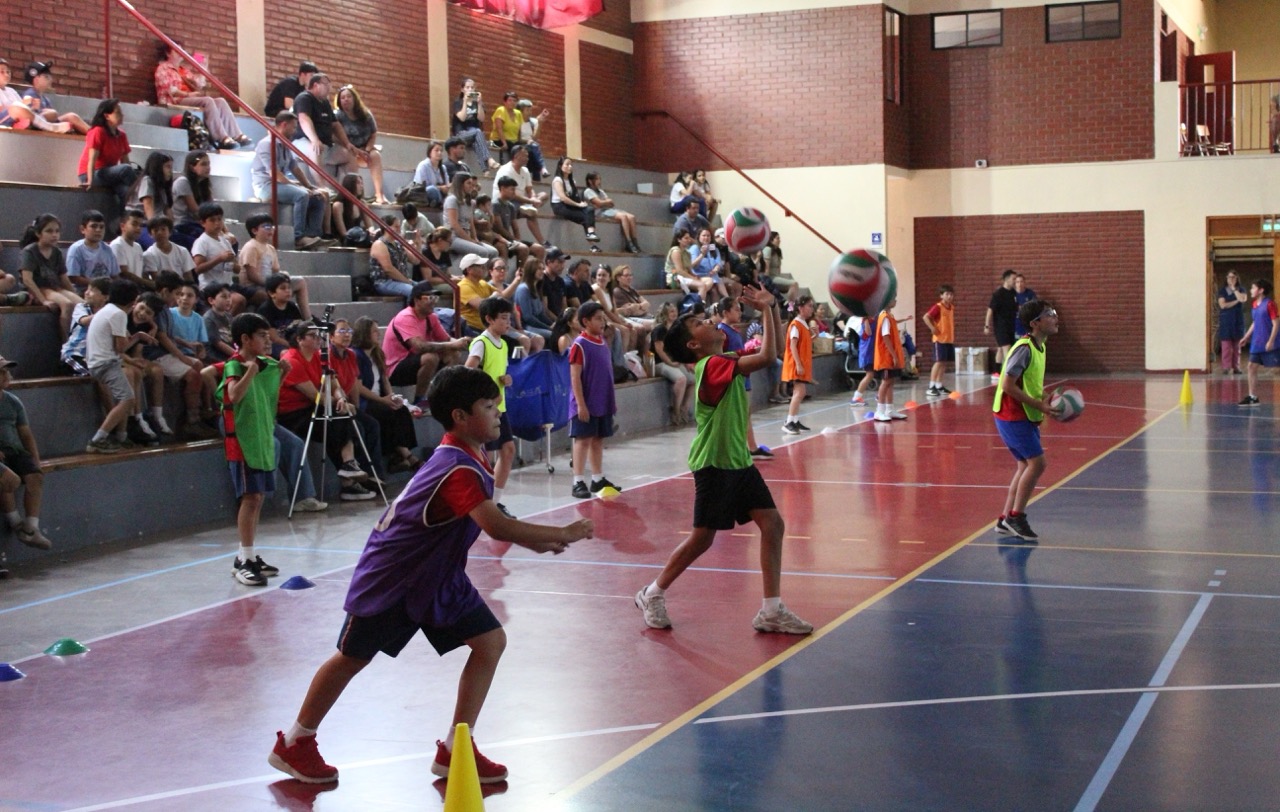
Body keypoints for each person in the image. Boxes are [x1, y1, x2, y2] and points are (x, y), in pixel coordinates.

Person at [266, 365, 593, 785]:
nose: (498, 413)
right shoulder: (457, 468)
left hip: (437, 576)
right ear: (460, 416)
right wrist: (559, 533)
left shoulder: (469, 455)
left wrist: (536, 542)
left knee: (489, 642)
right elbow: (495, 526)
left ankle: (457, 748)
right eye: (488, 406)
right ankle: (295, 742)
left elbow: (487, 522)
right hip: (394, 577)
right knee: (352, 657)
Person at [634, 285, 812, 634]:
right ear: (693, 345)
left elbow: (769, 349)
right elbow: (766, 358)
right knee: (703, 538)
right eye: (700, 323)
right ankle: (652, 593)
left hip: (738, 461)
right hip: (714, 463)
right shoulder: (711, 365)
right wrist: (765, 311)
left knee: (773, 524)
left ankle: (771, 610)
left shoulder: (724, 359)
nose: (709, 321)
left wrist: (772, 308)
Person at [214, 313, 283, 585]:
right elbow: (233, 395)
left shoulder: (264, 364)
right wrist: (251, 372)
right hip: (242, 443)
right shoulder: (235, 365)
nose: (268, 340)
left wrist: (281, 372)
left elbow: (268, 391)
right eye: (262, 336)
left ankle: (248, 555)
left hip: (260, 438)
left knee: (258, 497)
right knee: (250, 498)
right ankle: (244, 559)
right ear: (245, 339)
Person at [277, 323, 377, 502]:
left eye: (319, 335)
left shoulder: (320, 357)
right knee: (339, 421)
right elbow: (316, 397)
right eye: (312, 336)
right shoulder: (292, 360)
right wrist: (339, 403)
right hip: (294, 414)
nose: (318, 339)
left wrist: (342, 399)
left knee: (352, 422)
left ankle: (350, 470)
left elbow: (334, 385)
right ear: (299, 340)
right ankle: (348, 475)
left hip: (314, 407)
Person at [992, 300, 1062, 541]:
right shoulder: (1024, 348)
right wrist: (1039, 405)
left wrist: (1043, 397)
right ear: (1035, 323)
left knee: (1025, 466)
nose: (1055, 317)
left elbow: (1028, 382)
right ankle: (1016, 517)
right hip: (1012, 415)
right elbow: (1007, 385)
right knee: (1037, 464)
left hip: (1022, 415)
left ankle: (1005, 519)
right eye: (1050, 314)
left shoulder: (1039, 346)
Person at [465, 298, 518, 518]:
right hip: (484, 409)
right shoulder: (481, 342)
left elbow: (498, 372)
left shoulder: (503, 344)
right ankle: (481, 503)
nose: (508, 322)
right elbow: (469, 370)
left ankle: (495, 502)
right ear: (489, 319)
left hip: (499, 408)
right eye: (503, 318)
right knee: (484, 457)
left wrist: (506, 379)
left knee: (508, 450)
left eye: (509, 318)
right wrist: (485, 390)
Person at [250, 111, 332, 251]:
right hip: (266, 186)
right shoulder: (267, 144)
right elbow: (275, 174)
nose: (295, 131)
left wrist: (310, 186)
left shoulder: (285, 145)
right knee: (302, 195)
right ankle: (298, 238)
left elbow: (295, 169)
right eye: (293, 127)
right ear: (284, 125)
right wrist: (301, 188)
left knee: (318, 197)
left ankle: (313, 236)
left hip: (281, 184)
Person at [350, 317, 421, 473]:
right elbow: (358, 387)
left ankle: (399, 456)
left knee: (401, 410)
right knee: (386, 413)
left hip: (380, 397)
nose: (378, 334)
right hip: (366, 400)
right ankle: (408, 456)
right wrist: (383, 400)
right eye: (374, 331)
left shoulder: (377, 354)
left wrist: (392, 397)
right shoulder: (356, 355)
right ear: (364, 334)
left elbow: (384, 378)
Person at [383, 282, 470, 404]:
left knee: (453, 353)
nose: (433, 302)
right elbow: (420, 347)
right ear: (416, 300)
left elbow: (446, 339)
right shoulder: (406, 317)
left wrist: (465, 342)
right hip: (394, 368)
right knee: (430, 357)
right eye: (429, 298)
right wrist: (453, 344)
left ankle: (442, 394)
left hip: (415, 362)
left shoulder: (431, 317)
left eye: (435, 298)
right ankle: (420, 400)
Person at [568, 302, 619, 499]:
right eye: (598, 318)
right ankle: (578, 481)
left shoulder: (602, 341)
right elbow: (575, 377)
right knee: (583, 440)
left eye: (603, 318)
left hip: (602, 401)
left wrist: (610, 400)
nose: (602, 322)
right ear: (586, 321)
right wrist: (581, 404)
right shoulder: (579, 345)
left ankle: (597, 478)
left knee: (598, 439)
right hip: (586, 403)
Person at [0, 355, 52, 550]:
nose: (7, 375)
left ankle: (30, 528)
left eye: (7, 371)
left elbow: (26, 435)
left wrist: (35, 461)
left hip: (14, 450)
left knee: (35, 477)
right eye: (1, 372)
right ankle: (16, 523)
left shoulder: (13, 401)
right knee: (9, 480)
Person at [154, 44, 250, 149]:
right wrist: (187, 94)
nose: (180, 53)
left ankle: (237, 135)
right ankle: (221, 137)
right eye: (176, 50)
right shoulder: (163, 68)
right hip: (174, 100)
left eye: (181, 50)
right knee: (208, 101)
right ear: (168, 53)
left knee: (220, 101)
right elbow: (169, 89)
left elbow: (199, 84)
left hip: (188, 99)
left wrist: (203, 66)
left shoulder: (183, 70)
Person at [85, 280, 142, 453]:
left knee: (125, 398)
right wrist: (137, 337)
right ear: (132, 301)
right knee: (128, 400)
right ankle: (98, 439)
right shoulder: (119, 314)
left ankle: (121, 437)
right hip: (105, 363)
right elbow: (120, 348)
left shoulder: (107, 310)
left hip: (99, 362)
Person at [715, 297, 771, 459]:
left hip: (742, 377)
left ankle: (751, 447)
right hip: (733, 378)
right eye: (736, 309)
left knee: (745, 413)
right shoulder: (722, 332)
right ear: (725, 312)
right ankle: (732, 448)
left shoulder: (733, 331)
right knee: (736, 415)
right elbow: (722, 356)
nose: (740, 313)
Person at [20, 214, 82, 339]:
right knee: (67, 305)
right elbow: (27, 280)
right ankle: (66, 343)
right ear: (38, 233)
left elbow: (63, 278)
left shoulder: (57, 252)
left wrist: (75, 293)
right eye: (49, 231)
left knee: (83, 305)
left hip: (55, 288)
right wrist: (43, 300)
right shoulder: (30, 251)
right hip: (38, 289)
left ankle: (81, 341)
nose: (54, 235)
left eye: (57, 231)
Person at [239, 213, 312, 316]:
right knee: (279, 293)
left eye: (272, 227)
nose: (271, 230)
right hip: (253, 287)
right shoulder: (251, 247)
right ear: (254, 230)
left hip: (270, 284)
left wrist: (282, 278)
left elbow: (275, 272)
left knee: (300, 282)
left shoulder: (271, 248)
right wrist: (272, 285)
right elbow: (252, 276)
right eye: (266, 227)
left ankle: (308, 318)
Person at [292, 73, 356, 184]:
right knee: (315, 149)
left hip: (325, 145)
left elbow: (335, 125)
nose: (329, 88)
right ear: (316, 85)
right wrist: (314, 139)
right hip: (303, 142)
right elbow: (304, 119)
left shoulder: (325, 103)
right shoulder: (304, 98)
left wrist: (347, 143)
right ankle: (322, 187)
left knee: (350, 155)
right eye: (326, 84)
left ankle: (350, 189)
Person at [77, 99, 138, 212]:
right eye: (118, 112)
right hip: (91, 173)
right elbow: (92, 159)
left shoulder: (122, 135)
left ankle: (125, 219)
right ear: (107, 116)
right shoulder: (98, 131)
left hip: (110, 174)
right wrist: (90, 181)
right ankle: (140, 195)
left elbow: (125, 160)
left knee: (125, 192)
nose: (122, 115)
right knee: (126, 169)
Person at [335, 84, 389, 204]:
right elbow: (336, 137)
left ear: (355, 98)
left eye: (349, 96)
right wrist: (355, 150)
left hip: (364, 149)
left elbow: (373, 133)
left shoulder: (366, 115)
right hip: (348, 150)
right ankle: (356, 193)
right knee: (350, 156)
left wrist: (367, 150)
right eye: (342, 98)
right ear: (339, 101)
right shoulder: (337, 116)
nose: (346, 99)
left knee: (376, 156)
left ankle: (379, 194)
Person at [190, 203, 248, 312]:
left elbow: (237, 269)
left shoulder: (225, 241)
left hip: (228, 284)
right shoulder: (201, 242)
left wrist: (233, 263)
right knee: (238, 300)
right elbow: (198, 269)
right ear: (203, 223)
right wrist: (219, 259)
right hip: (210, 286)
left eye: (219, 219)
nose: (217, 223)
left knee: (259, 295)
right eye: (212, 220)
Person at [491, 145, 550, 247]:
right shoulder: (505, 170)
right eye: (525, 156)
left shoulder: (525, 171)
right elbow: (512, 195)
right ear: (516, 156)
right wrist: (531, 201)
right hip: (507, 202)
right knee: (531, 213)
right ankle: (542, 242)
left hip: (522, 202)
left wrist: (533, 197)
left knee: (543, 195)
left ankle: (530, 208)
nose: (527, 158)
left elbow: (529, 189)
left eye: (527, 156)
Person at [651, 302, 695, 426]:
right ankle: (675, 410)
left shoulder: (676, 330)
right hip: (660, 362)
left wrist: (685, 363)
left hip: (674, 361)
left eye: (675, 311)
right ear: (665, 314)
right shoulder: (660, 329)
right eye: (671, 311)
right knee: (681, 379)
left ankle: (684, 407)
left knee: (693, 379)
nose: (674, 313)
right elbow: (659, 350)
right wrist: (670, 362)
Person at [1238, 278, 1279, 407]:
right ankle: (1252, 397)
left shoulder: (1270, 304)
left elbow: (1276, 323)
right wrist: (1246, 337)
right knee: (1251, 366)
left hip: (1270, 342)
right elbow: (1255, 322)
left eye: (1253, 288)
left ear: (1261, 290)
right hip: (1257, 342)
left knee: (1277, 369)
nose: (1251, 290)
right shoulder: (1255, 304)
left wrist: (1271, 341)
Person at [0, 58, 67, 132]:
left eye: (8, 72)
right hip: (2, 121)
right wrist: (22, 104)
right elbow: (6, 109)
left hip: (15, 120)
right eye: (2, 72)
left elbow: (22, 108)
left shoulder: (11, 91)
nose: (6, 74)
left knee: (52, 113)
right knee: (15, 107)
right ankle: (48, 126)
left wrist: (32, 107)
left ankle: (33, 124)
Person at [20, 61, 87, 133]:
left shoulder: (44, 98)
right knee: (71, 117)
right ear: (36, 79)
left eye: (50, 77)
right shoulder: (30, 95)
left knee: (71, 118)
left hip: (48, 125)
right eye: (46, 77)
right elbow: (30, 117)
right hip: (40, 127)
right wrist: (52, 114)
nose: (50, 80)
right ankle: (93, 134)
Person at [443, 173, 498, 261]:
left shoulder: (470, 202)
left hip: (467, 235)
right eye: (468, 183)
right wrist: (470, 240)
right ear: (460, 184)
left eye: (473, 184)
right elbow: (454, 225)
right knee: (482, 252)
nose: (472, 187)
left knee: (494, 252)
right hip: (453, 237)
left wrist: (475, 238)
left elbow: (471, 223)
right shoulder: (452, 200)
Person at [550, 157, 601, 250]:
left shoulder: (572, 181)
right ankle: (592, 244)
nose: (570, 167)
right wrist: (578, 205)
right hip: (559, 206)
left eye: (571, 165)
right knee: (586, 217)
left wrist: (581, 203)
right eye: (567, 164)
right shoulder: (557, 180)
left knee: (589, 210)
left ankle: (591, 234)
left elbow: (574, 197)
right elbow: (563, 198)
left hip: (569, 205)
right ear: (560, 166)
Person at [781, 295, 815, 434]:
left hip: (802, 363)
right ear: (800, 308)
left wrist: (814, 337)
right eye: (809, 306)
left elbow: (803, 344)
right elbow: (793, 346)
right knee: (799, 392)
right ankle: (789, 421)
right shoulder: (796, 324)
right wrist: (798, 364)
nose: (812, 309)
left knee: (801, 392)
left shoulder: (803, 324)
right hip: (796, 364)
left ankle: (794, 420)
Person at [583, 172, 641, 253]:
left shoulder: (601, 191)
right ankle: (628, 242)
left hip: (607, 210)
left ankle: (635, 242)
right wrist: (605, 202)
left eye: (599, 179)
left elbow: (611, 203)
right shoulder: (588, 191)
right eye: (596, 179)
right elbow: (599, 203)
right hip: (599, 212)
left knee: (632, 217)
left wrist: (604, 203)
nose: (599, 181)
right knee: (623, 216)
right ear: (590, 181)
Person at [450, 77, 500, 173]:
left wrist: (479, 103)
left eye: (472, 87)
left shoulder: (477, 103)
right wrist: (465, 102)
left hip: (474, 135)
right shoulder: (458, 102)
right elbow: (462, 118)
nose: (470, 89)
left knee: (477, 141)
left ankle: (485, 170)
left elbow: (481, 118)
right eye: (467, 87)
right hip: (460, 135)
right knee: (478, 132)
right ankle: (489, 159)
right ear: (462, 89)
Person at [368, 215, 421, 303]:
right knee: (413, 291)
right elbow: (388, 269)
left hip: (401, 281)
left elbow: (416, 261)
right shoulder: (379, 244)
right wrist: (407, 281)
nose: (399, 229)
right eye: (396, 226)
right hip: (385, 282)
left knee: (425, 289)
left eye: (399, 226)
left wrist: (418, 244)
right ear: (386, 227)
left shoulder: (398, 244)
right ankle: (410, 312)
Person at [62, 278, 108, 377]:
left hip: (95, 358)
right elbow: (84, 321)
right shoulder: (81, 307)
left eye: (92, 291)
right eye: (87, 289)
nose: (87, 293)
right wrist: (106, 312)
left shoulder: (109, 314)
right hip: (74, 354)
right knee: (97, 374)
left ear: (105, 297)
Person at [66, 210, 120, 289]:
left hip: (106, 291)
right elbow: (73, 277)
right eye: (94, 226)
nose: (98, 230)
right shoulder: (76, 249)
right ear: (83, 229)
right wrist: (98, 284)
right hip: (84, 290)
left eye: (101, 227)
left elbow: (115, 275)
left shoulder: (107, 249)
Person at [258, 274, 305, 356]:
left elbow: (299, 328)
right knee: (286, 353)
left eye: (289, 288)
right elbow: (274, 338)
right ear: (271, 293)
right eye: (283, 288)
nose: (288, 291)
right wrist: (292, 346)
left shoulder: (292, 307)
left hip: (290, 342)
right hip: (272, 344)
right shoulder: (266, 310)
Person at [922, 285, 956, 397]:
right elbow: (926, 317)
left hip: (948, 339)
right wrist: (932, 328)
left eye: (951, 294)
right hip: (939, 339)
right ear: (941, 296)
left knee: (944, 362)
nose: (949, 296)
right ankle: (931, 386)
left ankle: (939, 385)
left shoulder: (951, 307)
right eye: (947, 294)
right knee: (938, 362)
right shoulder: (938, 307)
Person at [984, 269, 1019, 379]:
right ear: (1007, 279)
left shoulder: (1013, 293)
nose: (1015, 281)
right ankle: (1009, 373)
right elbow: (990, 310)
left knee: (1000, 348)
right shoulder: (998, 294)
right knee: (1007, 350)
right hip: (1001, 327)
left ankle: (996, 372)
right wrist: (987, 325)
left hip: (1011, 326)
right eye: (1013, 279)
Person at [142, 216, 196, 281]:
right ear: (150, 234)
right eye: (156, 230)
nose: (160, 233)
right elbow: (156, 279)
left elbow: (188, 277)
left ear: (170, 232)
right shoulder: (148, 254)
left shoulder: (182, 251)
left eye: (163, 229)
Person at [110, 208, 151, 289]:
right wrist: (149, 283)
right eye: (134, 224)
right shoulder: (117, 245)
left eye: (140, 225)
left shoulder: (138, 246)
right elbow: (123, 273)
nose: (138, 228)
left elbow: (141, 273)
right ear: (122, 226)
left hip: (137, 288)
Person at [666, 231, 712, 300]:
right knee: (702, 285)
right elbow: (679, 271)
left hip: (686, 277)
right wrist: (692, 278)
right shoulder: (676, 251)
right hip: (676, 278)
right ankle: (699, 304)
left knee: (709, 280)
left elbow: (689, 269)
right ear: (679, 240)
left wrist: (694, 275)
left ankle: (695, 299)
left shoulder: (687, 253)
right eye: (686, 238)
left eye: (689, 238)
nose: (689, 240)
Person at [1217, 270, 1248, 374]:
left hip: (1238, 320)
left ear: (1237, 278)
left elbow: (1243, 299)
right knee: (1226, 345)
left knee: (1237, 346)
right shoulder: (1222, 291)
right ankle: (1226, 367)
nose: (1231, 279)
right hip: (1226, 320)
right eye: (1229, 277)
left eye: (1233, 277)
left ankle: (1236, 367)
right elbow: (1223, 305)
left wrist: (1234, 289)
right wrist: (1236, 301)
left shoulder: (1241, 289)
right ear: (1226, 278)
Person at [688, 228, 729, 302]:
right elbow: (693, 265)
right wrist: (702, 254)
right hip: (699, 275)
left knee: (725, 284)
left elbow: (718, 263)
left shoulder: (713, 249)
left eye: (708, 236)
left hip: (712, 275)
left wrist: (715, 269)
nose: (706, 238)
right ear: (699, 237)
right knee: (714, 290)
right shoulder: (695, 248)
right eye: (704, 235)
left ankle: (728, 299)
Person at [134, 153, 174, 228]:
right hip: (144, 225)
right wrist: (154, 228)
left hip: (160, 224)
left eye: (171, 167)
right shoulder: (147, 181)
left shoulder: (163, 187)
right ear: (158, 168)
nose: (170, 171)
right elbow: (148, 206)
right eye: (168, 167)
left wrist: (171, 228)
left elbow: (167, 210)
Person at [515, 98, 549, 180]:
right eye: (527, 110)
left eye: (530, 110)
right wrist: (527, 141)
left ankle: (538, 175)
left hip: (531, 145)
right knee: (534, 148)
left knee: (533, 150)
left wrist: (540, 124)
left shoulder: (532, 122)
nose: (530, 112)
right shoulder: (517, 122)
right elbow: (517, 138)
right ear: (520, 111)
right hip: (520, 144)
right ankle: (543, 168)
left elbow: (535, 137)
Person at [412, 141, 451, 209]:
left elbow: (447, 183)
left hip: (441, 193)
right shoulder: (423, 165)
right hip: (424, 193)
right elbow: (421, 186)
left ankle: (440, 202)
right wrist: (440, 188)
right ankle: (441, 203)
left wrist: (448, 187)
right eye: (436, 150)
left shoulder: (443, 168)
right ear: (430, 152)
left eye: (441, 151)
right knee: (432, 190)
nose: (439, 153)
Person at [488, 91, 523, 163]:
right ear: (505, 102)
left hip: (513, 141)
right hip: (498, 140)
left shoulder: (518, 113)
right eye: (510, 100)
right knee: (514, 149)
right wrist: (504, 143)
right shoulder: (501, 110)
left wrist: (519, 142)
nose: (512, 102)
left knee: (525, 150)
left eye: (514, 101)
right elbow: (499, 128)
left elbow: (519, 130)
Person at [1012, 274, 1037, 338]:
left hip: (1027, 324)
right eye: (1017, 282)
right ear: (1015, 284)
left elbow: (1035, 308)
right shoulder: (1011, 294)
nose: (1019, 284)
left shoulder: (1030, 294)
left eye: (1021, 281)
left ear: (1025, 283)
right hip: (1015, 325)